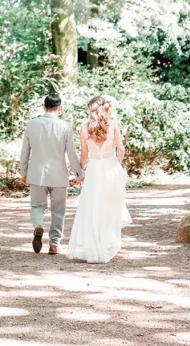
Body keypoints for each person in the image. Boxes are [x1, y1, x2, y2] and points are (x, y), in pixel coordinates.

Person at [67, 95, 132, 264]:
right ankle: (107, 243)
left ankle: (94, 246)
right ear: (106, 108)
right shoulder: (113, 125)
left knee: (93, 207)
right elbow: (121, 149)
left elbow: (84, 155)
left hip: (94, 169)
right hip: (111, 168)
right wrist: (117, 165)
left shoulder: (83, 127)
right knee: (110, 207)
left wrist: (80, 174)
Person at [19, 93, 84, 255]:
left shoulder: (31, 124)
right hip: (58, 175)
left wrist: (23, 171)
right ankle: (54, 244)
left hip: (36, 174)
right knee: (58, 210)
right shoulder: (65, 126)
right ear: (59, 108)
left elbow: (25, 151)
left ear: (44, 106)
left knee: (37, 206)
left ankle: (38, 226)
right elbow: (71, 153)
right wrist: (78, 173)